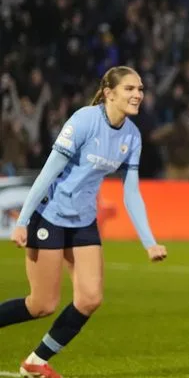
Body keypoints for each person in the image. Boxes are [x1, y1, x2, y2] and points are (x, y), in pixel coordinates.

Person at [0, 66, 167, 378]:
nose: (137, 95)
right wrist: (22, 221)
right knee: (41, 305)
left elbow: (131, 193)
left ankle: (36, 362)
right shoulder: (83, 121)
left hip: (83, 221)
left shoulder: (132, 136)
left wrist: (149, 241)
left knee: (90, 299)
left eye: (140, 89)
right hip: (50, 216)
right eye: (130, 89)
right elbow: (47, 173)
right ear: (109, 93)